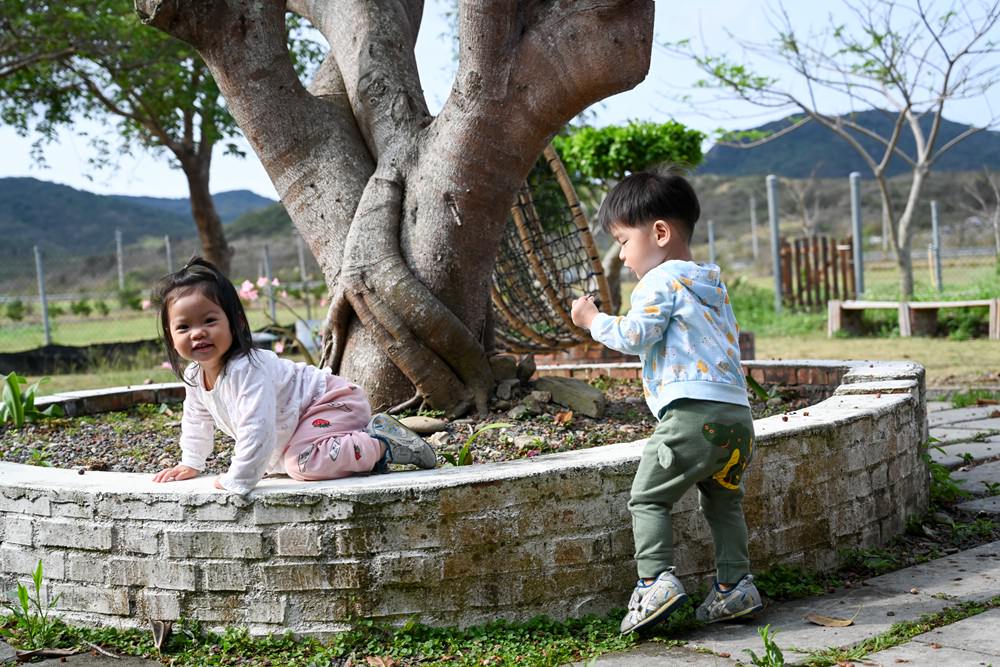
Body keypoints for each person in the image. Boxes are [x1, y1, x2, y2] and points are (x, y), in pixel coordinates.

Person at [571, 170, 762, 634]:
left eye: (623, 240)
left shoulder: (659, 281)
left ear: (659, 232)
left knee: (648, 497)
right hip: (737, 419)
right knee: (723, 503)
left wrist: (593, 320)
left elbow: (636, 335)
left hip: (692, 416)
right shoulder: (711, 285)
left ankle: (654, 582)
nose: (622, 254)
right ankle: (734, 587)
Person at [150, 257, 437, 495]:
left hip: (332, 401)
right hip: (304, 419)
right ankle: (355, 443)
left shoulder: (247, 369)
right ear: (170, 336)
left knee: (302, 464)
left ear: (236, 322)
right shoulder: (195, 375)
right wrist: (191, 462)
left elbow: (257, 427)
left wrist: (240, 478)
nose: (197, 333)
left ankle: (381, 444)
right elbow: (196, 420)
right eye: (183, 327)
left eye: (210, 321)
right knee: (289, 463)